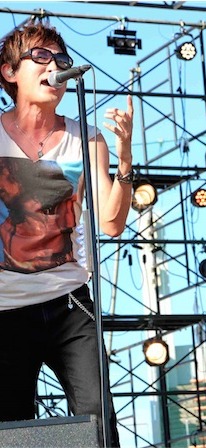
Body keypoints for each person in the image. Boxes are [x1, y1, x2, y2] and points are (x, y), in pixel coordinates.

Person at [0, 21, 134, 446]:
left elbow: (111, 223)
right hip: (5, 309)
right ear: (9, 71)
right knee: (11, 430)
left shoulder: (86, 139)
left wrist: (125, 159)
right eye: (40, 56)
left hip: (70, 303)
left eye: (60, 59)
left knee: (98, 422)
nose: (54, 66)